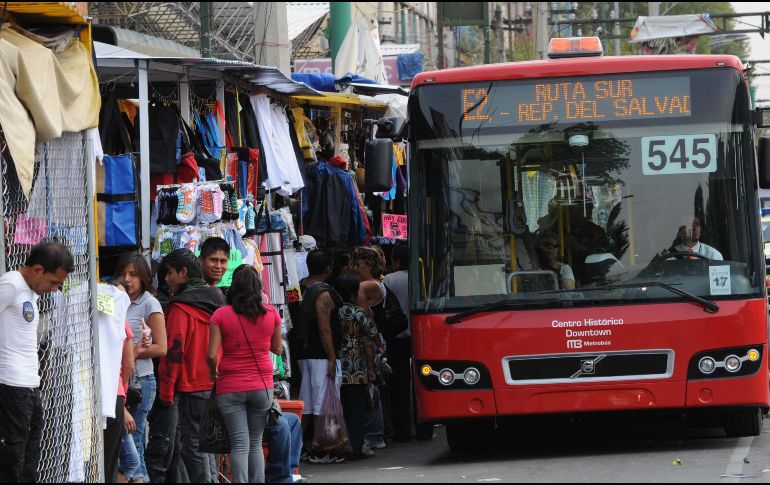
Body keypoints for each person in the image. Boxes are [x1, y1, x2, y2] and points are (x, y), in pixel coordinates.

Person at [0, 241, 74, 483]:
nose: (54, 289)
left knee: (29, 459)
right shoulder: (11, 284)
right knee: (11, 460)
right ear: (38, 270)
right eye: (54, 282)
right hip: (10, 385)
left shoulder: (30, 290)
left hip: (30, 387)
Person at [150, 250, 225, 483]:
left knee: (194, 446)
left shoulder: (180, 309)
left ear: (182, 273)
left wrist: (166, 390)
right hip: (212, 381)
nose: (166, 280)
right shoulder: (217, 301)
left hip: (190, 385)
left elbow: (174, 353)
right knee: (207, 443)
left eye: (170, 273)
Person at [207, 265, 282, 483]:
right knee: (255, 441)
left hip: (230, 385)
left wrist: (214, 372)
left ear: (233, 287)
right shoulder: (272, 313)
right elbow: (277, 349)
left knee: (239, 442)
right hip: (262, 385)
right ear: (258, 287)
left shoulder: (220, 314)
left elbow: (212, 355)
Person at [113, 253, 167, 483]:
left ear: (144, 277)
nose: (127, 279)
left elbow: (161, 347)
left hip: (140, 381)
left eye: (133, 274)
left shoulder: (149, 302)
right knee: (125, 442)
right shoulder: (116, 300)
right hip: (120, 379)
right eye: (123, 274)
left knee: (132, 440)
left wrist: (134, 351)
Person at [294, 249, 343, 464]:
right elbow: (325, 329)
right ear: (328, 268)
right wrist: (332, 356)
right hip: (320, 355)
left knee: (306, 402)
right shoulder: (323, 293)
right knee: (321, 403)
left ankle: (297, 448)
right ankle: (319, 450)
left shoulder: (296, 288)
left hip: (303, 353)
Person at [334, 275, 377, 460]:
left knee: (341, 408)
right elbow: (371, 337)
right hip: (357, 367)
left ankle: (341, 445)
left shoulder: (332, 312)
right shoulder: (358, 313)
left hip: (337, 366)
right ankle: (356, 447)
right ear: (353, 295)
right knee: (357, 410)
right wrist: (371, 367)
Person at [352, 247, 388, 452]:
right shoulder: (374, 284)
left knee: (371, 386)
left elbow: (365, 318)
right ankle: (375, 433)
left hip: (372, 340)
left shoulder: (367, 286)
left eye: (360, 265)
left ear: (371, 266)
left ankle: (375, 434)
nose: (356, 269)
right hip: (374, 339)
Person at [104, 281, 139, 484]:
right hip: (114, 394)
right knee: (113, 459)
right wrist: (122, 393)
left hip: (91, 394)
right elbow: (128, 364)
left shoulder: (89, 313)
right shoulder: (119, 319)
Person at [264, 412, 304, 483]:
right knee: (281, 424)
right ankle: (279, 479)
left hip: (262, 410)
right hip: (248, 416)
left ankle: (288, 473)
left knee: (294, 419)